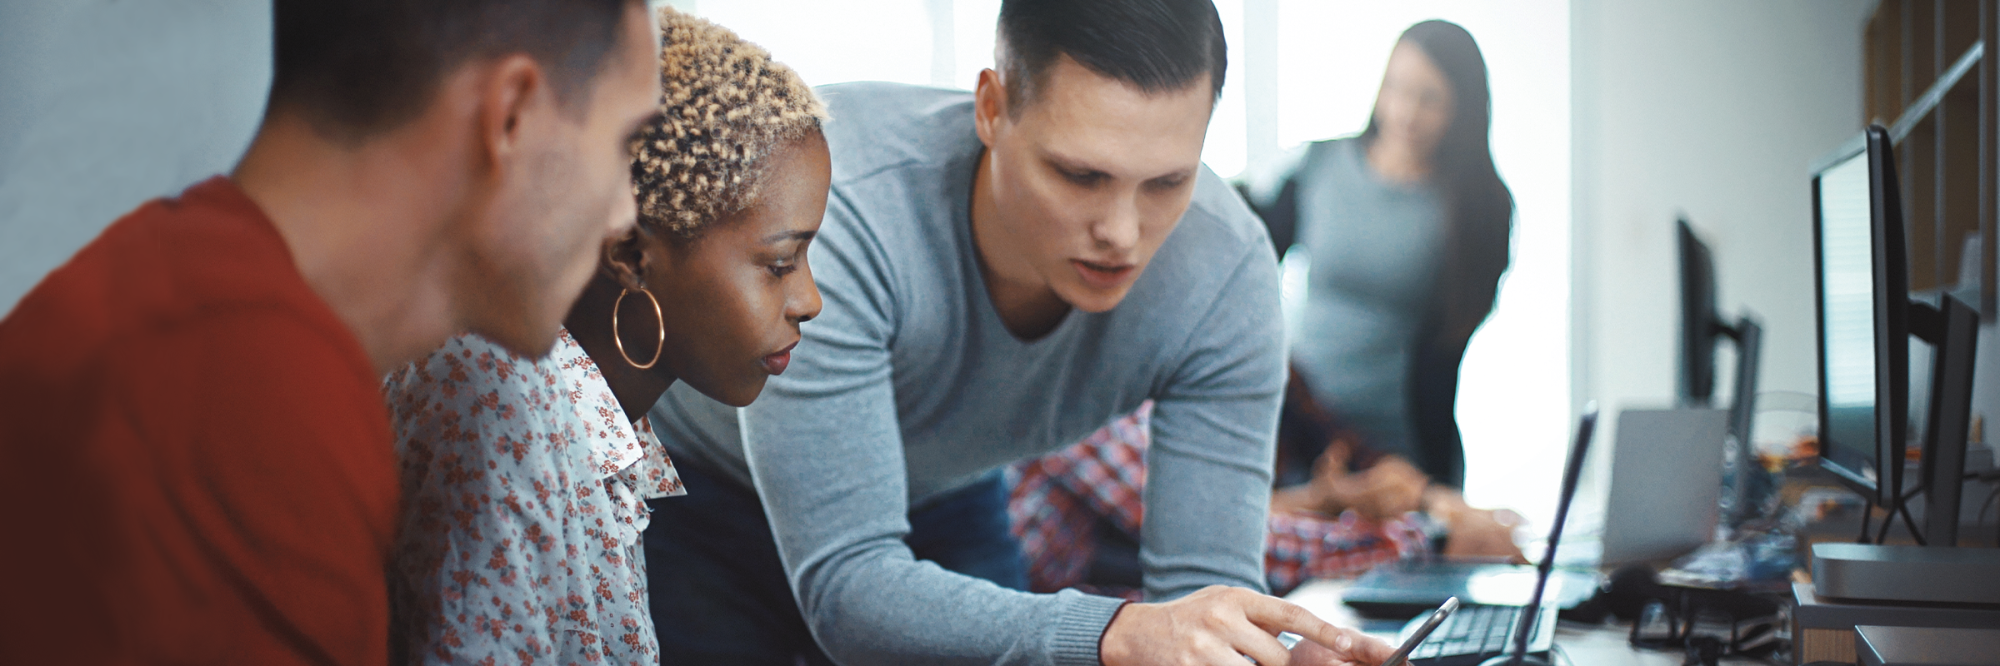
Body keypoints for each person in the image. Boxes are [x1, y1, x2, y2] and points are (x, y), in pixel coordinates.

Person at [643, 1, 1395, 664]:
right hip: (703, 490)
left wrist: (1259, 656)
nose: (1122, 233)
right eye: (1080, 176)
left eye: (1167, 182)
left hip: (947, 490)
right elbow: (850, 590)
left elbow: (1203, 600)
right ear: (991, 108)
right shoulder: (845, 208)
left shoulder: (1225, 274)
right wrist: (1117, 632)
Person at [0, 1, 661, 663]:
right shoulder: (252, 394)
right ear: (512, 115)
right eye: (623, 142)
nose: (622, 215)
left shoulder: (214, 323)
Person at [383, 10, 828, 665]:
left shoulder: (594, 420)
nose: (811, 301)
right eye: (780, 263)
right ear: (630, 255)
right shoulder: (499, 405)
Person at [1238, 20, 1517, 536]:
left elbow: (1449, 345)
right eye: (1397, 88)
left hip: (1401, 447)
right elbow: (1247, 255)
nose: (1406, 112)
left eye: (1430, 99)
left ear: (1461, 108)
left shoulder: (1477, 206)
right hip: (1303, 434)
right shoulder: (1321, 165)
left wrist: (1432, 493)